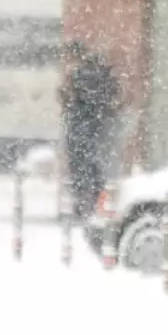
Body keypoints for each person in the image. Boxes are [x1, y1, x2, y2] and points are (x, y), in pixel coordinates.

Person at [60, 40, 122, 219]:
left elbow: (77, 100)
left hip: (83, 127)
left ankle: (83, 207)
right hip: (98, 126)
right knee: (96, 168)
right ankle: (98, 205)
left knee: (83, 169)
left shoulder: (81, 73)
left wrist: (68, 98)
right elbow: (113, 96)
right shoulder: (100, 71)